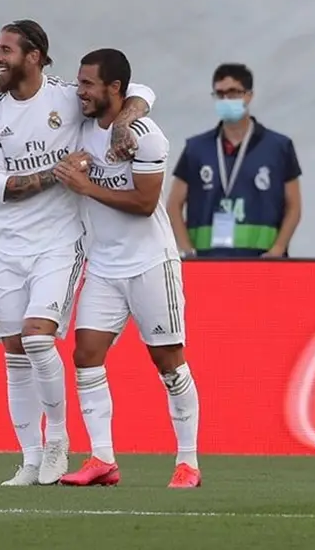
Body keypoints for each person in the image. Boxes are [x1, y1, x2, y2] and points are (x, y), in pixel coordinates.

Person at [0, 20, 156, 486]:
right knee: (14, 353)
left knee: (37, 338)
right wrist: (57, 173)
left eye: (7, 50)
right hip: (6, 246)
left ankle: (57, 440)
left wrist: (126, 124)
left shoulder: (65, 99)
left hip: (58, 243)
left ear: (34, 56)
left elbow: (142, 91)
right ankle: (30, 460)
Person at [52, 48, 201, 489]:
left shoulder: (145, 135)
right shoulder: (85, 123)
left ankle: (188, 462)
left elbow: (144, 203)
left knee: (168, 362)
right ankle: (102, 459)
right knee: (86, 355)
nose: (80, 92)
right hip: (103, 267)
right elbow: (142, 91)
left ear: (114, 89)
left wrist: (86, 185)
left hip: (151, 263)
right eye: (79, 83)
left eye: (88, 84)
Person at [166, 63, 303, 258]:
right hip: (207, 262)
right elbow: (173, 205)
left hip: (262, 262)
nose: (225, 99)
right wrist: (187, 250)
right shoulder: (196, 148)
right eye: (219, 94)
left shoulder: (279, 147)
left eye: (233, 93)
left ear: (248, 95)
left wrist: (278, 249)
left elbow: (294, 206)